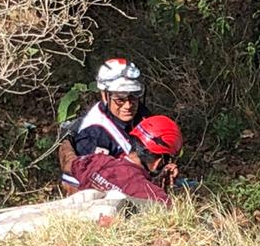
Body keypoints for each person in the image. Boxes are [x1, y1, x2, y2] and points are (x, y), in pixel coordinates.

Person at [59, 58, 178, 191]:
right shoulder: (94, 134)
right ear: (105, 95)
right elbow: (77, 182)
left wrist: (162, 168)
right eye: (120, 99)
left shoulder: (140, 112)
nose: (128, 105)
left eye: (134, 96)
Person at [71, 115, 183, 207]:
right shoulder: (153, 194)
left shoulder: (97, 161)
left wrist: (67, 137)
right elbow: (170, 213)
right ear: (159, 161)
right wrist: (167, 187)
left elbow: (69, 162)